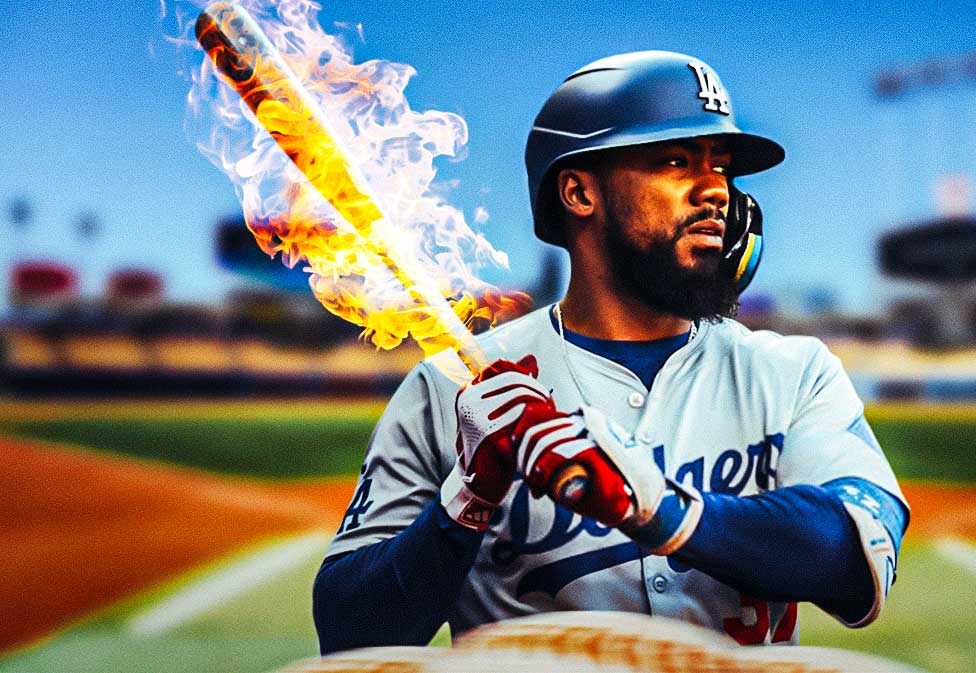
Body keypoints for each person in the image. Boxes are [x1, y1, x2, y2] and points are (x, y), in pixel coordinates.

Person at [312, 50, 909, 654]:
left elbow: (856, 559)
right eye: (675, 162)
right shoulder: (450, 392)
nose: (717, 191)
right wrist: (467, 499)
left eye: (722, 168)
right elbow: (348, 631)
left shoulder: (791, 373)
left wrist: (666, 511)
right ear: (577, 192)